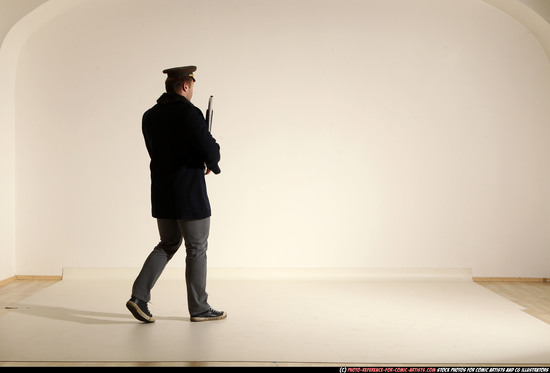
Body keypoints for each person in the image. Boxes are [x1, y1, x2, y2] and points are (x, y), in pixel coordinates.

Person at [126, 65, 226, 323]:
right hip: (189, 193)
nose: (192, 91)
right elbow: (212, 152)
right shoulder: (190, 114)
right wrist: (208, 162)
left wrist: (198, 156)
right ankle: (199, 308)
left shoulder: (149, 115)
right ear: (185, 85)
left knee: (168, 244)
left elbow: (161, 152)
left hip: (162, 191)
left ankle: (139, 297)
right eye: (192, 87)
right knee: (196, 248)